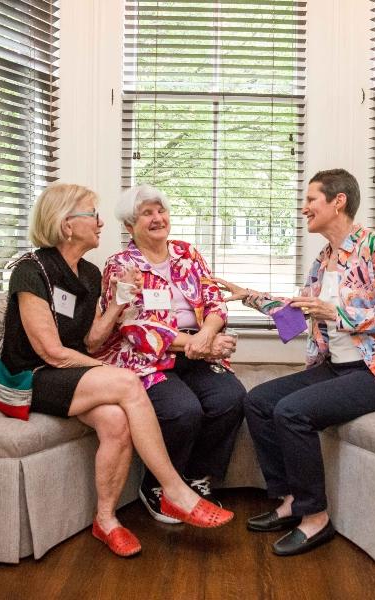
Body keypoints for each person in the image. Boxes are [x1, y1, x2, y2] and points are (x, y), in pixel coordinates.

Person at [0, 183, 234, 557]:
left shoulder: (89, 273)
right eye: (91, 214)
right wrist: (108, 372)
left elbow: (91, 341)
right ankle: (173, 490)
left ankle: (105, 521)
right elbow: (51, 352)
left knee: (116, 422)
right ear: (66, 224)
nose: (100, 222)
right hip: (30, 377)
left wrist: (117, 304)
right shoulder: (31, 271)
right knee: (127, 383)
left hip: (70, 372)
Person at [214, 169, 375, 556]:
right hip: (335, 366)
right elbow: (300, 311)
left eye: (311, 200)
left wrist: (337, 313)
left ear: (337, 201)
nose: (303, 207)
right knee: (257, 401)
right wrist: (249, 296)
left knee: (291, 412)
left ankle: (315, 518)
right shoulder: (324, 259)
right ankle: (289, 499)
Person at [92, 184, 246, 524]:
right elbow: (134, 326)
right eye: (147, 213)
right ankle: (158, 486)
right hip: (145, 360)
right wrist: (194, 344)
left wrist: (206, 335)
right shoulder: (120, 264)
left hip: (197, 348)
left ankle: (195, 478)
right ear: (130, 226)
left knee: (231, 397)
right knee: (182, 410)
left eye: (160, 211)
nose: (158, 218)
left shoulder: (187, 253)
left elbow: (214, 300)